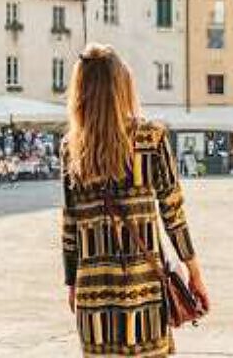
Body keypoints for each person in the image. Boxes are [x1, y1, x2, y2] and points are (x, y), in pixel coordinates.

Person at [61, 44, 210, 357]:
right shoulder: (150, 137)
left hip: (93, 294)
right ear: (122, 86)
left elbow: (70, 224)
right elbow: (174, 213)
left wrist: (72, 283)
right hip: (142, 290)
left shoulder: (71, 147)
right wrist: (193, 273)